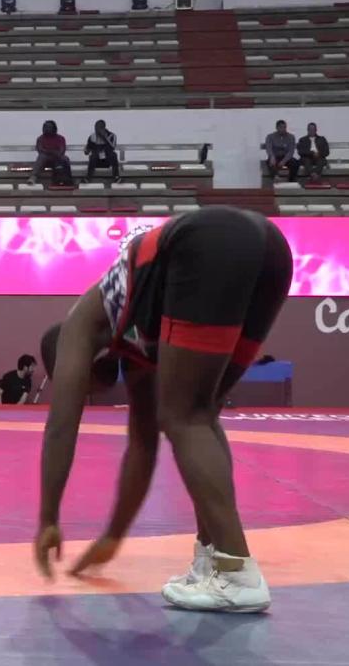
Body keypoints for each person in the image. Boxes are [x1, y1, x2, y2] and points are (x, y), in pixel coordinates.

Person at [32, 206, 292, 613]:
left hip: (210, 240)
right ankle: (213, 558)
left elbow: (61, 426)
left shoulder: (78, 325)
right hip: (270, 251)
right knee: (200, 414)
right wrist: (114, 535)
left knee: (184, 417)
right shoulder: (135, 343)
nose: (86, 395)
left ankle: (237, 572)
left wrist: (48, 518)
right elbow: (143, 444)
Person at [30, 120, 72, 186]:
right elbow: (40, 150)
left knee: (65, 158)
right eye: (46, 127)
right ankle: (33, 177)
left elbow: (62, 151)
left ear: (54, 128)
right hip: (45, 160)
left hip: (57, 159)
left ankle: (68, 179)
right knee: (41, 157)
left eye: (49, 127)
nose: (47, 129)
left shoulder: (60, 138)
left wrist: (49, 151)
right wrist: (52, 151)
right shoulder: (40, 138)